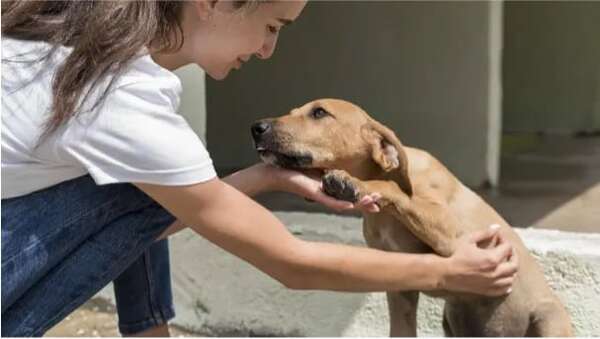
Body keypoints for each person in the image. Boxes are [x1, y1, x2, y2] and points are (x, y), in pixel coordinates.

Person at [1, 1, 518, 337]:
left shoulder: (76, 44)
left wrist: (267, 177)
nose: (269, 50)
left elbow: (175, 204)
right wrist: (449, 271)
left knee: (154, 182)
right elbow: (291, 262)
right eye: (271, 27)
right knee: (146, 182)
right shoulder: (120, 99)